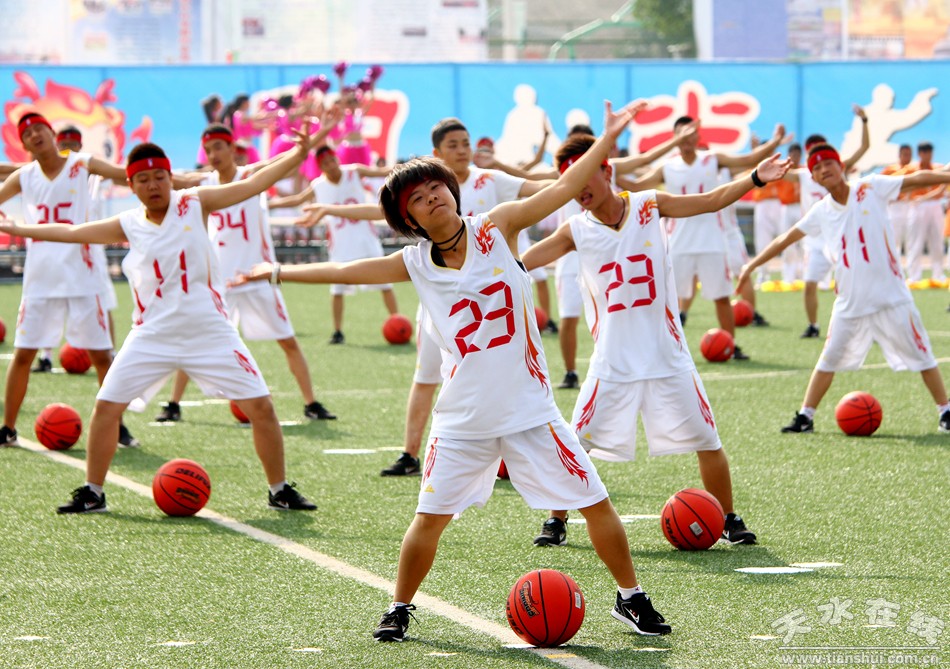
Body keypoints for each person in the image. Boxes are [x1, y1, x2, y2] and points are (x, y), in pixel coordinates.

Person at [234, 100, 674, 642]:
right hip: (461, 419)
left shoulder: (498, 226)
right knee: (429, 519)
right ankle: (398, 607)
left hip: (529, 409)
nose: (431, 198)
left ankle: (630, 597)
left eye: (435, 188)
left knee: (594, 501)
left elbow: (561, 191)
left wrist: (606, 140)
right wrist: (277, 270)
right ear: (408, 219)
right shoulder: (414, 262)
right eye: (416, 199)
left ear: (452, 190)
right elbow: (348, 268)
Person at [0, 116, 336, 513]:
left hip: (210, 330)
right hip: (151, 334)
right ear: (131, 185)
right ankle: (93, 491)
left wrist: (299, 152)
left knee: (261, 407)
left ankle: (279, 489)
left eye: (160, 176)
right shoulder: (127, 222)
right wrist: (22, 229)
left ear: (170, 179)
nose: (153, 185)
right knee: (107, 407)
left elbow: (253, 184)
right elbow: (74, 232)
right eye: (143, 179)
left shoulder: (196, 203)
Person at [521, 135, 789, 549]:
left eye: (583, 175)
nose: (578, 189)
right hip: (612, 360)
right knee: (578, 441)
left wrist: (755, 177)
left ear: (607, 170)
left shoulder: (648, 204)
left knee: (708, 438)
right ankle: (557, 519)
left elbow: (713, 200)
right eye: (569, 182)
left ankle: (729, 517)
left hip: (667, 354)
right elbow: (522, 262)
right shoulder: (575, 230)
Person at [736, 143, 950, 434]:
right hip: (850, 302)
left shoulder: (871, 187)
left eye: (830, 164)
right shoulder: (820, 211)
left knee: (923, 354)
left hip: (892, 296)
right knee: (828, 359)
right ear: (813, 178)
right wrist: (750, 266)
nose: (825, 170)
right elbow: (784, 239)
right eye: (818, 168)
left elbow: (915, 180)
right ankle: (805, 417)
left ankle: (945, 411)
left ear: (842, 167)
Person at [154, 123, 337, 423]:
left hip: (258, 276)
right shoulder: (204, 183)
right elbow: (173, 179)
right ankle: (173, 404)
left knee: (288, 341)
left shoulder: (250, 177)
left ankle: (311, 403)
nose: (213, 154)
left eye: (218, 147)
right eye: (208, 149)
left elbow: (283, 161)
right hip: (220, 282)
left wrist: (310, 142)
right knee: (195, 339)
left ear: (232, 148)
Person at [0, 113, 138, 448]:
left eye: (39, 129)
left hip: (82, 276)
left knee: (102, 355)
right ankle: (7, 427)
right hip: (40, 279)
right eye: (28, 132)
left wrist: (167, 178)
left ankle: (117, 426)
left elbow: (125, 175)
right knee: (23, 354)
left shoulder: (81, 164)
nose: (35, 135)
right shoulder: (25, 176)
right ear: (24, 144)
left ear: (51, 132)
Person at [630, 117, 788, 360]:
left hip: (712, 241)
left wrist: (775, 142)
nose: (688, 138)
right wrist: (605, 173)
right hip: (678, 243)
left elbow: (747, 160)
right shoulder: (667, 167)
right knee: (666, 298)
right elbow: (638, 185)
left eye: (692, 133)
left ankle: (731, 345)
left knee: (721, 297)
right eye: (683, 133)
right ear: (675, 138)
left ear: (697, 136)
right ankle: (660, 350)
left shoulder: (711, 159)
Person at [269, 145, 396, 344]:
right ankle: (338, 331)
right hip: (340, 243)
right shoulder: (318, 185)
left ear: (338, 159)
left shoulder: (354, 172)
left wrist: (407, 169)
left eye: (333, 160)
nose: (331, 165)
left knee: (385, 282)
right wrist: (268, 204)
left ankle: (397, 321)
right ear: (320, 166)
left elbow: (381, 171)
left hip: (365, 238)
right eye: (325, 163)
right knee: (337, 288)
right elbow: (297, 200)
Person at [781, 106, 869, 339]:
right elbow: (771, 173)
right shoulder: (802, 174)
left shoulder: (837, 167)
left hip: (841, 235)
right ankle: (814, 325)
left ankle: (862, 323)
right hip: (814, 240)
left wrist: (865, 121)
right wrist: (768, 147)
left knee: (850, 284)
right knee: (809, 283)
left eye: (821, 150)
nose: (817, 156)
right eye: (812, 151)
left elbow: (864, 148)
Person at [905, 141, 945, 284]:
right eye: (925, 152)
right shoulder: (912, 170)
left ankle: (938, 274)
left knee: (937, 241)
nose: (928, 155)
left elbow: (943, 187)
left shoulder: (938, 168)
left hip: (935, 205)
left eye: (930, 152)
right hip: (917, 206)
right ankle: (914, 275)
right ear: (920, 153)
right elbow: (905, 187)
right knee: (915, 242)